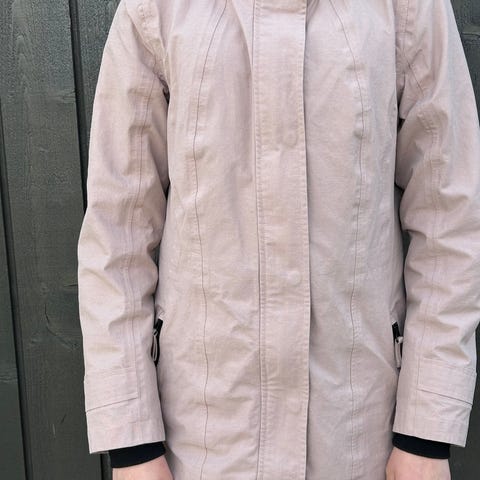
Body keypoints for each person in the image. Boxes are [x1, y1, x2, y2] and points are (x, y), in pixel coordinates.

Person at [77, 0, 480, 479]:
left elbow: (448, 212)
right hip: (204, 439)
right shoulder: (156, 9)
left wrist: (425, 434)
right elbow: (118, 229)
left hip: (357, 435)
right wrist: (133, 444)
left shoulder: (407, 8)